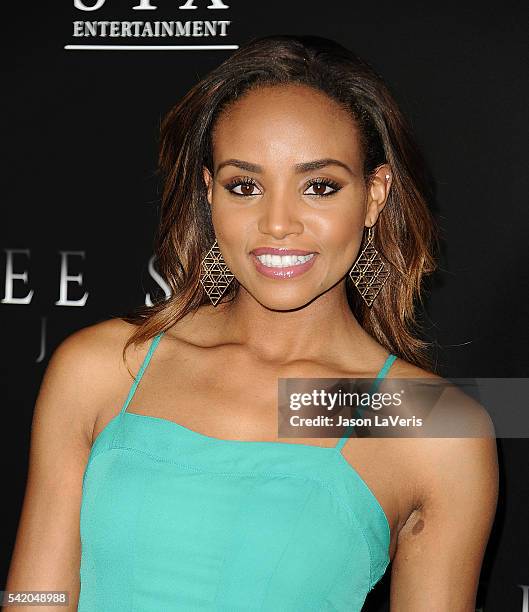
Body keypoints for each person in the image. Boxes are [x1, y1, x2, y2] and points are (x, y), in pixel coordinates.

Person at [5, 34, 498, 611]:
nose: (278, 223)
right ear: (209, 193)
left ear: (374, 195)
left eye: (319, 186)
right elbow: (35, 597)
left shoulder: (430, 421)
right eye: (245, 186)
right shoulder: (105, 366)